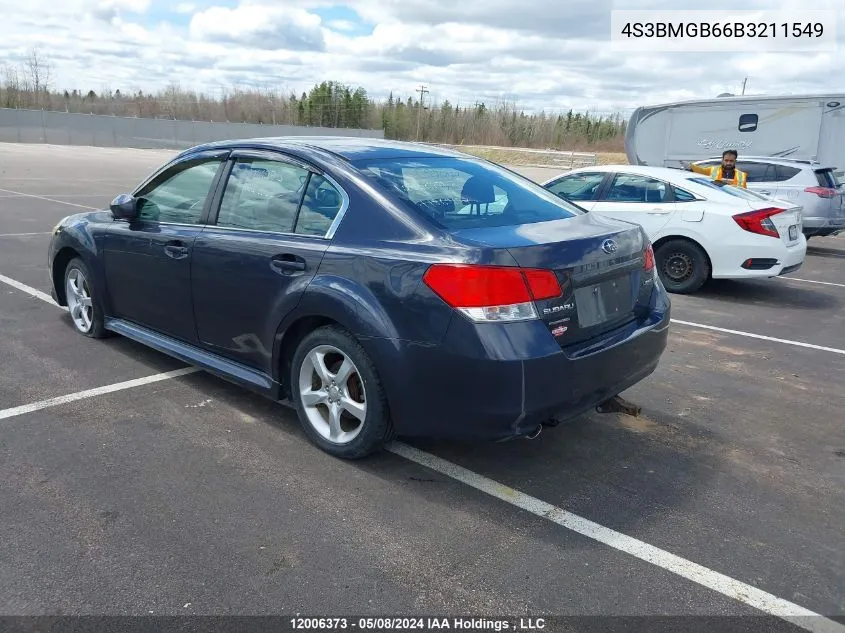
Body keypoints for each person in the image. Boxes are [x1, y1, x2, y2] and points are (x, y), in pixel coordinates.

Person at [681, 149, 747, 188]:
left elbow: (745, 193)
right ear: (722, 160)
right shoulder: (713, 170)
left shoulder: (741, 175)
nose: (728, 163)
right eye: (726, 160)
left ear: (735, 161)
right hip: (716, 200)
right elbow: (700, 170)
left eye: (731, 161)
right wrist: (690, 166)